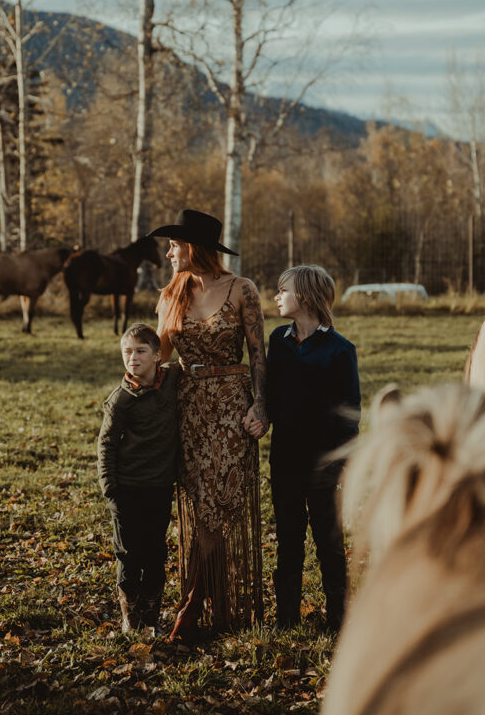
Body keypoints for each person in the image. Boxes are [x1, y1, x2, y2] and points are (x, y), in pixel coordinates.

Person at [125, 209, 268, 643]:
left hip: (231, 411)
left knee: (217, 507)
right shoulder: (171, 295)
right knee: (198, 504)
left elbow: (259, 355)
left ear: (194, 247)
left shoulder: (243, 289)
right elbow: (162, 356)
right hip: (186, 411)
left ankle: (193, 603)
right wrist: (134, 381)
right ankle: (211, 602)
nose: (168, 253)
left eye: (174, 245)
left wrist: (262, 405)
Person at [267, 265, 360, 632]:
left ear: (303, 296)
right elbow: (271, 394)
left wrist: (341, 463)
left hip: (324, 464)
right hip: (285, 460)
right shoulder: (278, 341)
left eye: (282, 290)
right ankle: (286, 618)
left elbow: (350, 414)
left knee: (328, 541)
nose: (276, 296)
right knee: (289, 538)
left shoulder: (340, 350)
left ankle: (339, 618)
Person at [97, 322, 179, 635]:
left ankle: (151, 616)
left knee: (156, 552)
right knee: (129, 555)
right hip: (126, 489)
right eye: (127, 352)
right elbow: (105, 443)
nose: (133, 357)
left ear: (158, 356)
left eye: (141, 351)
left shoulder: (172, 380)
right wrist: (110, 488)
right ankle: (129, 618)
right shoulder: (121, 399)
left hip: (159, 487)